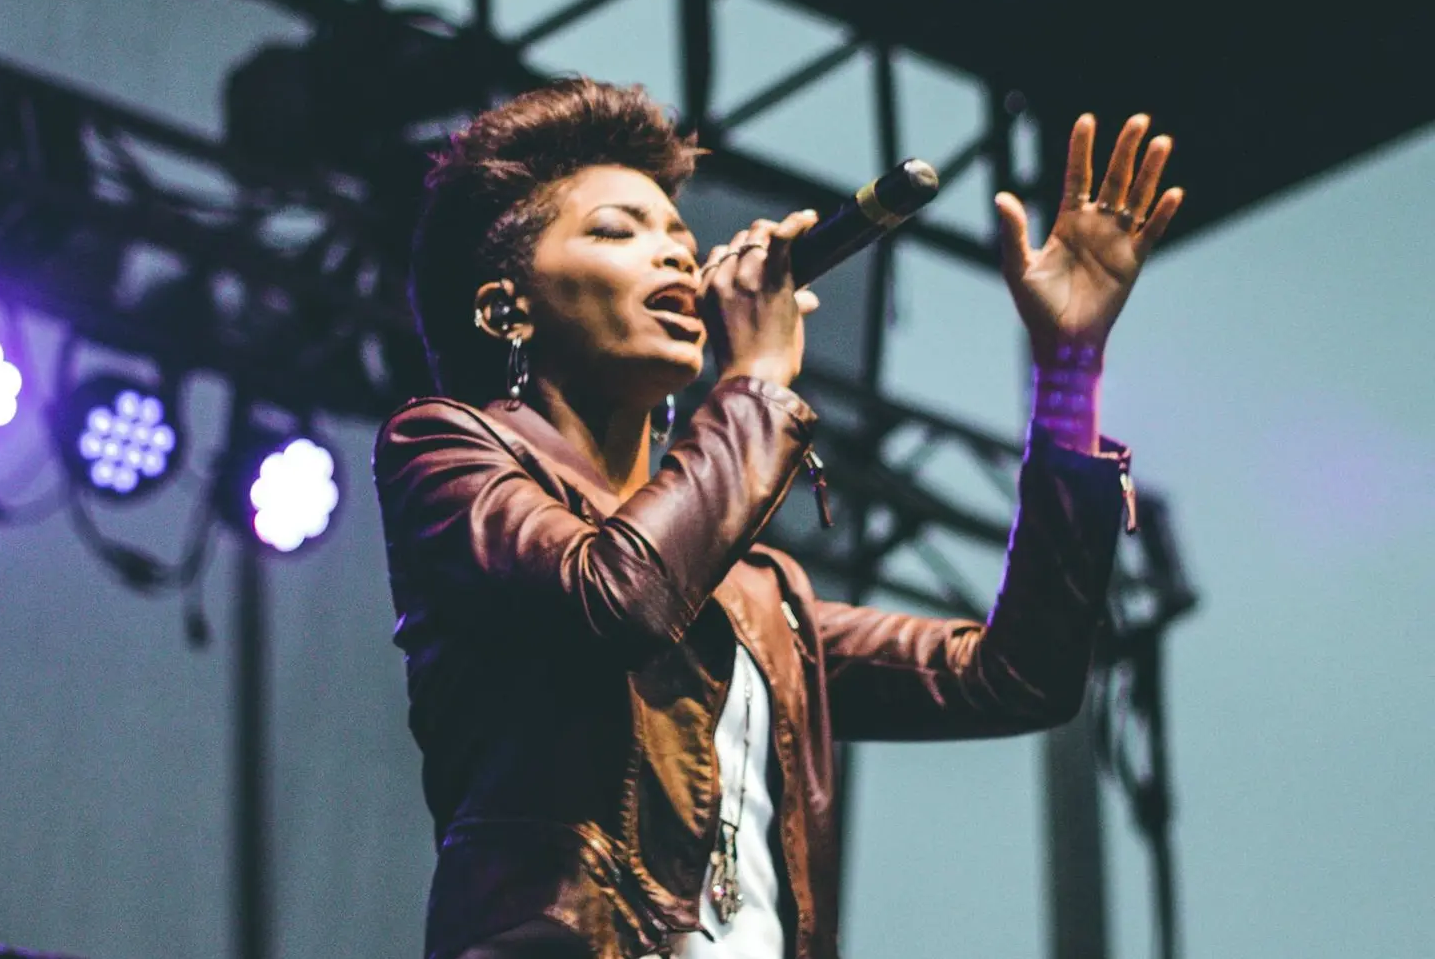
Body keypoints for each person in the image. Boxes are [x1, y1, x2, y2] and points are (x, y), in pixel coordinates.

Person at [373, 78, 1182, 959]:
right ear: (505, 308)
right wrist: (753, 380)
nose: (676, 258)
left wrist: (1068, 369)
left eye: (681, 239)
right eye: (617, 232)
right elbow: (617, 599)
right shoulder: (443, 450)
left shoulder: (764, 598)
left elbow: (1017, 677)